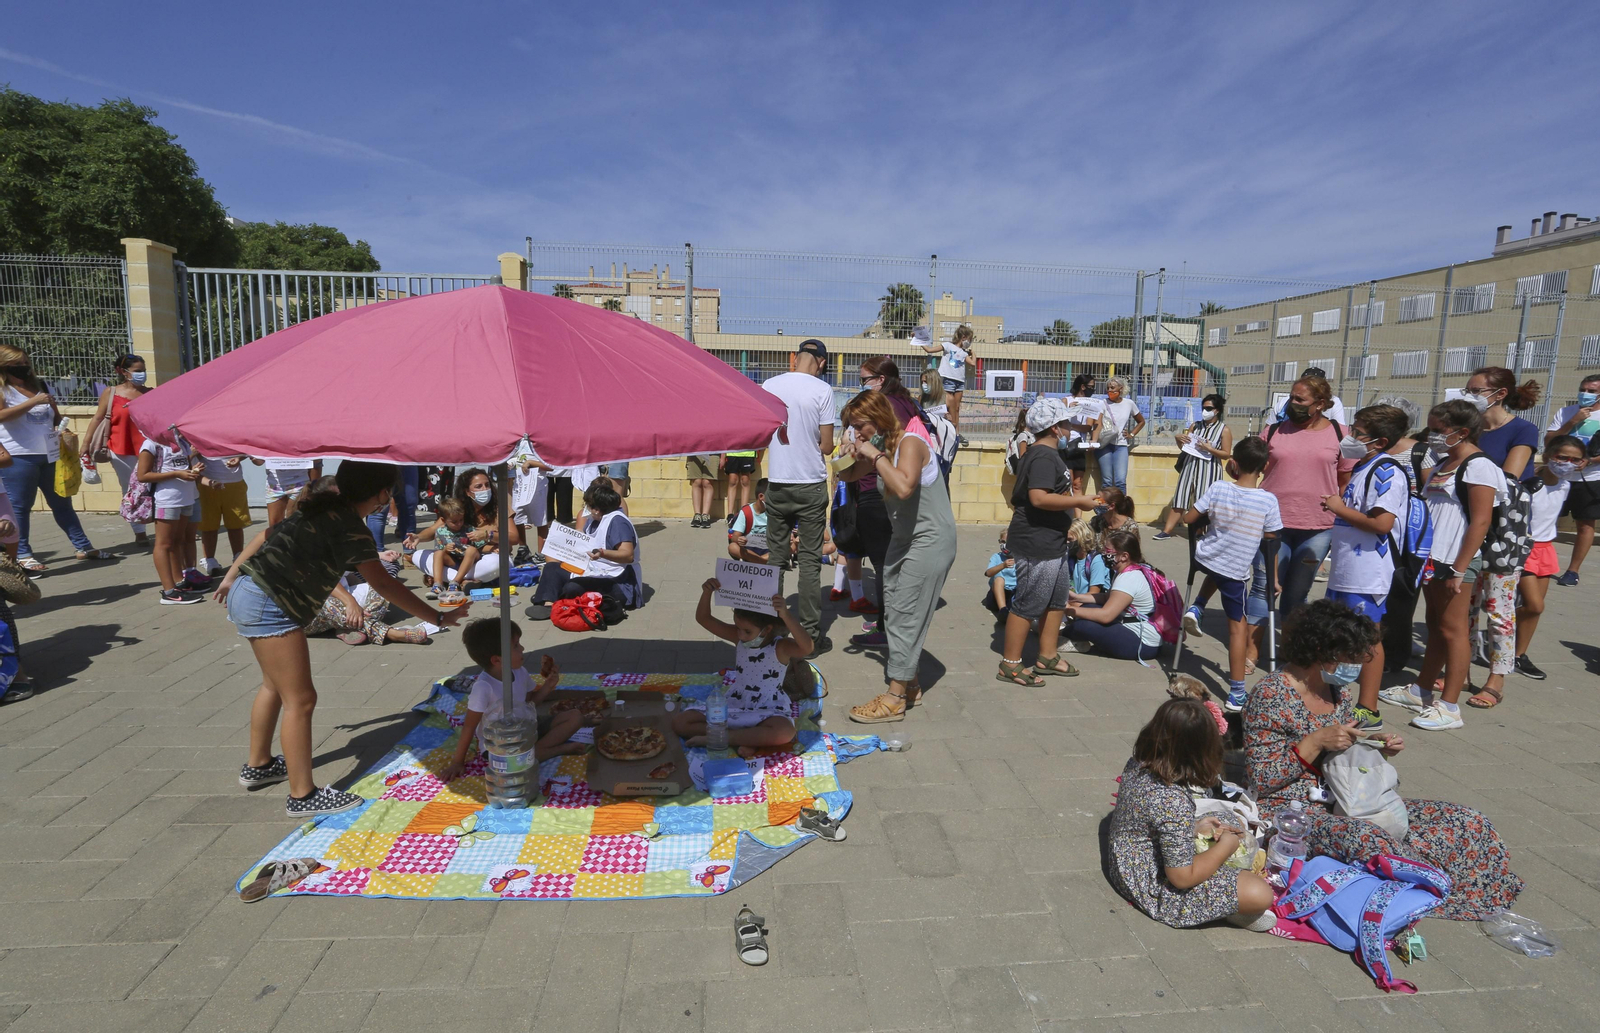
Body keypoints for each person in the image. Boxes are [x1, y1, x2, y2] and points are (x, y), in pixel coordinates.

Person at [217, 460, 469, 816]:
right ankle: (302, 795)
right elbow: (383, 583)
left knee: (274, 686)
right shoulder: (350, 526)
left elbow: (270, 537)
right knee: (301, 700)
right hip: (268, 604)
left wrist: (231, 576)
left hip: (253, 593)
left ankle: (259, 766)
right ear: (382, 494)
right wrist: (438, 616)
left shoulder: (322, 507)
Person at [1245, 600, 1522, 920]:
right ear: (1321, 649)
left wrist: (1374, 746)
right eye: (1348, 657)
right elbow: (1261, 779)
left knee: (1463, 818)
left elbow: (1344, 750)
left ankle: (1437, 875)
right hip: (1289, 812)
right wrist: (1314, 742)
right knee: (1368, 838)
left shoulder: (1338, 691)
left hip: (1347, 799)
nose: (1354, 666)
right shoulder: (1271, 694)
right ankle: (1432, 886)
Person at [1379, 401, 1502, 730]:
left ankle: (1449, 707)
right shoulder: (1444, 462)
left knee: (1454, 630)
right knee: (1435, 625)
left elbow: (1480, 522)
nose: (1431, 436)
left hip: (1454, 560)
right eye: (1430, 428)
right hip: (1432, 557)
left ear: (1462, 432)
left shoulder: (1479, 466)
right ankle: (1421, 689)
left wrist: (1461, 569)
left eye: (1438, 430)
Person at [839, 389, 958, 722]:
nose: (857, 432)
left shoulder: (909, 443)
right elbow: (847, 476)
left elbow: (904, 487)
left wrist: (873, 454)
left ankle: (894, 699)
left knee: (905, 611)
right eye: (852, 427)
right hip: (904, 539)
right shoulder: (885, 448)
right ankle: (911, 685)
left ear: (878, 417)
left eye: (859, 425)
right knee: (893, 610)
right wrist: (849, 454)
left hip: (931, 539)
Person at [1110, 698, 1277, 932]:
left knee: (1228, 820)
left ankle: (1224, 903)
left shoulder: (1141, 760)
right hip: (1151, 885)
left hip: (1127, 858)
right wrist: (1226, 847)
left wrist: (1194, 827)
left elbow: (1153, 820)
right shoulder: (1172, 801)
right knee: (1260, 893)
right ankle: (1225, 910)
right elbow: (1181, 878)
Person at [1318, 405, 1412, 733]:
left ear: (1380, 441)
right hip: (1347, 567)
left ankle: (1368, 707)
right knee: (1345, 633)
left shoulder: (1387, 472)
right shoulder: (1364, 466)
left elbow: (1382, 523)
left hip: (1368, 569)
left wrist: (1339, 507)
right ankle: (1342, 698)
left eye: (1358, 433)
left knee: (1368, 636)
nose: (1350, 437)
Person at [994, 398, 1097, 686]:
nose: (1070, 428)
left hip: (1051, 539)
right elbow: (1038, 498)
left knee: (1055, 600)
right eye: (1066, 423)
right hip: (1036, 541)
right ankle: (1010, 664)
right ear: (1055, 428)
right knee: (1028, 603)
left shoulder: (1049, 454)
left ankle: (1047, 656)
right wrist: (1079, 501)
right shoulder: (1043, 456)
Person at [1183, 435, 1281, 711]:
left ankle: (1198, 605)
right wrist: (1273, 578)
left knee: (1218, 567)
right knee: (1237, 630)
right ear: (1264, 467)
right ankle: (1237, 692)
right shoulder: (1268, 501)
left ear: (1234, 463)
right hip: (1235, 570)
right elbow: (1271, 542)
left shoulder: (1218, 488)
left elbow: (1188, 519)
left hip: (1205, 558)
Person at [0, 344, 113, 570]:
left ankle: (83, 546)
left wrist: (61, 428)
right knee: (20, 507)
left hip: (50, 454)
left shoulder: (38, 386)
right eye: (17, 365)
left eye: (26, 364)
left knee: (62, 502)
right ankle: (23, 554)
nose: (24, 368)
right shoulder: (4, 390)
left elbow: (54, 418)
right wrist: (32, 403)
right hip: (19, 457)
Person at [438, 620, 585, 784]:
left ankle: (538, 751)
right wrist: (457, 762)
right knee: (514, 763)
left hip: (527, 728)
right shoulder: (483, 687)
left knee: (575, 716)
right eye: (516, 646)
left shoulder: (520, 672)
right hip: (500, 746)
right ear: (497, 660)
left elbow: (530, 703)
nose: (522, 648)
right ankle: (557, 749)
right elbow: (469, 726)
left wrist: (548, 686)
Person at [761, 339, 836, 655]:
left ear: (795, 358)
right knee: (808, 561)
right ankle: (810, 636)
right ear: (820, 363)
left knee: (775, 558)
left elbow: (765, 430)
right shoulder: (823, 391)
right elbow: (828, 446)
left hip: (777, 482)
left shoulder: (769, 384)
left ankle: (766, 625)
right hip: (810, 484)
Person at [673, 581, 808, 754]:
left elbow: (806, 648)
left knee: (785, 732)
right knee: (680, 722)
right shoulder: (739, 638)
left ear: (767, 630)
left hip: (769, 706)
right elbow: (704, 619)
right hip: (736, 701)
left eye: (746, 631)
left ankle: (724, 737)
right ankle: (748, 738)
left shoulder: (780, 647)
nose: (740, 634)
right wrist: (706, 592)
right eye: (737, 628)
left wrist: (786, 615)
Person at [1258, 374, 1352, 618]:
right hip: (1273, 525)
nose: (1293, 403)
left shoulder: (1342, 433)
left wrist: (1345, 521)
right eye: (1291, 398)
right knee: (1265, 588)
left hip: (1319, 529)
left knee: (1296, 595)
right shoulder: (1273, 431)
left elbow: (1346, 481)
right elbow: (1250, 465)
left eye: (1300, 399)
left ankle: (1291, 651)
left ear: (1320, 404)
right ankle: (1251, 651)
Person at [1513, 436, 1587, 680]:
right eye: (1562, 457)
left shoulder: (1565, 485)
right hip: (1524, 548)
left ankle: (1518, 654)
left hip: (1546, 549)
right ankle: (1499, 636)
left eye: (1574, 460)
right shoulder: (1530, 484)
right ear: (1547, 457)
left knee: (1533, 610)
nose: (1567, 463)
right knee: (1535, 605)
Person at [529, 478, 644, 612]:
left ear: (596, 509)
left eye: (588, 505)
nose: (586, 509)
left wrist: (602, 553)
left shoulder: (618, 522)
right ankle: (548, 603)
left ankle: (557, 596)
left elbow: (627, 555)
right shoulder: (594, 519)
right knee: (552, 568)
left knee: (572, 587)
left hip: (619, 580)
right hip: (595, 570)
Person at [1062, 526, 1166, 663]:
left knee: (1085, 625)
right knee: (1088, 607)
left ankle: (1058, 635)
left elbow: (1106, 616)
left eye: (1108, 551)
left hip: (1143, 644)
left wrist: (1069, 609)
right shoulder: (1125, 571)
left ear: (1124, 556)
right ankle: (1068, 633)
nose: (1104, 554)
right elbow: (1106, 598)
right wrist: (1076, 597)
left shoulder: (1129, 578)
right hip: (1136, 630)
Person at [85, 353, 150, 546]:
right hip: (121, 448)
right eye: (138, 371)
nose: (142, 374)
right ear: (122, 372)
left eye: (143, 370)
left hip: (148, 449)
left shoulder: (150, 392)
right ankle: (139, 531)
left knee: (154, 487)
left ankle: (167, 523)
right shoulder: (111, 393)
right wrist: (85, 445)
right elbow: (98, 418)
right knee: (130, 488)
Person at [302, 550, 431, 645]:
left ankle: (351, 625)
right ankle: (391, 634)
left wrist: (368, 596)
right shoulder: (298, 541)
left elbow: (349, 575)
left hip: (342, 596)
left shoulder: (332, 538)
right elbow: (322, 582)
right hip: (307, 611)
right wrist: (351, 602)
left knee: (382, 588)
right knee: (329, 603)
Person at [136, 434, 206, 604]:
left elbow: (183, 465)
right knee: (164, 544)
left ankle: (179, 584)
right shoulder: (151, 444)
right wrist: (176, 474)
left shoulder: (181, 442)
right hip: (166, 501)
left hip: (186, 498)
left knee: (177, 540)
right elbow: (143, 475)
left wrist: (192, 470)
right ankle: (169, 592)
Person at [1545, 373, 1600, 586]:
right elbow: (1549, 441)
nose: (1585, 394)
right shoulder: (1567, 412)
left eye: (1592, 391)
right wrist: (1572, 422)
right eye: (1583, 389)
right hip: (1558, 476)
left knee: (1585, 525)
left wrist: (1592, 460)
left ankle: (1572, 571)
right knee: (1546, 518)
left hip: (1590, 478)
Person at [1155, 394, 1231, 540]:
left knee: (1203, 499)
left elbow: (1226, 454)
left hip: (1209, 468)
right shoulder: (1195, 426)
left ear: (1217, 410)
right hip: (1190, 465)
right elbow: (1185, 448)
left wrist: (1210, 449)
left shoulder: (1224, 430)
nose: (1205, 411)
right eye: (1203, 408)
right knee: (1180, 496)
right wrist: (1178, 439)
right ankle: (1167, 531)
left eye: (1209, 408)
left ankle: (1199, 531)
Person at [196, 453, 253, 575]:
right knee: (209, 525)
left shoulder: (233, 433)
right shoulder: (201, 434)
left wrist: (239, 458)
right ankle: (209, 560)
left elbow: (247, 449)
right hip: (208, 482)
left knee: (236, 523)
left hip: (234, 481)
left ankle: (238, 557)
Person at [919, 323, 974, 431]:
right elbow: (929, 350)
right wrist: (919, 339)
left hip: (960, 382)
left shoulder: (964, 353)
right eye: (969, 339)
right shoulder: (948, 345)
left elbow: (972, 363)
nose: (969, 342)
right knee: (945, 406)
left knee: (956, 408)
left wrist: (973, 353)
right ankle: (944, 428)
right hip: (947, 379)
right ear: (963, 338)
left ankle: (956, 432)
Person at [1097, 377, 1145, 492]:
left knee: (1120, 481)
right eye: (1108, 388)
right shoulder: (1102, 403)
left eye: (1113, 388)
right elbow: (1097, 423)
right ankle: (1106, 508)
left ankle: (1121, 509)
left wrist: (1131, 435)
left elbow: (1141, 421)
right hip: (1104, 445)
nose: (1110, 390)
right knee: (1107, 481)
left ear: (1121, 388)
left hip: (1121, 445)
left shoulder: (1129, 403)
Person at [1060, 374, 1104, 497]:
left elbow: (1091, 425)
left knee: (1078, 483)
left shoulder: (1093, 403)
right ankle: (1066, 512)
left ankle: (1077, 516)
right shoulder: (1066, 400)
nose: (1092, 390)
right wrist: (1068, 410)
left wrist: (1093, 440)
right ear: (1082, 386)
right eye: (1091, 387)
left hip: (1079, 446)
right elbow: (1059, 420)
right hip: (1066, 444)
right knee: (1067, 481)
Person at [511, 444, 552, 560]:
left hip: (537, 485)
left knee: (540, 518)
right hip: (519, 484)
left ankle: (541, 553)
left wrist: (531, 463)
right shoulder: (519, 440)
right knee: (517, 516)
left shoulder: (542, 441)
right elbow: (519, 459)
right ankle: (523, 548)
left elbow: (551, 466)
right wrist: (512, 463)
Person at [261, 457, 315, 528]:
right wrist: (255, 457)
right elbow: (258, 462)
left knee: (295, 521)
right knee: (274, 525)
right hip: (274, 485)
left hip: (299, 483)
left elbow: (317, 461)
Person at [727, 478, 771, 563]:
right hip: (749, 548)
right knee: (732, 547)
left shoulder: (774, 512)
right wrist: (739, 539)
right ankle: (762, 561)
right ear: (761, 497)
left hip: (767, 548)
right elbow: (735, 536)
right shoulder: (746, 511)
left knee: (785, 548)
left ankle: (754, 560)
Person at [982, 529, 1017, 619]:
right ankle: (1003, 610)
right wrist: (1003, 565)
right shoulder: (997, 557)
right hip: (998, 593)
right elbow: (988, 573)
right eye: (1002, 541)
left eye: (1008, 542)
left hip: (1015, 593)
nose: (1004, 545)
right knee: (999, 579)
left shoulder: (1021, 558)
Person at [722, 448, 758, 519]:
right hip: (731, 452)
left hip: (748, 453)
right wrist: (723, 456)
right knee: (732, 481)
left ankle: (743, 513)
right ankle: (730, 514)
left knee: (745, 481)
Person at [687, 453, 721, 528]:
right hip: (694, 451)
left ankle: (705, 515)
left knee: (707, 482)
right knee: (696, 481)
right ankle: (697, 515)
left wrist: (723, 455)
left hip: (713, 452)